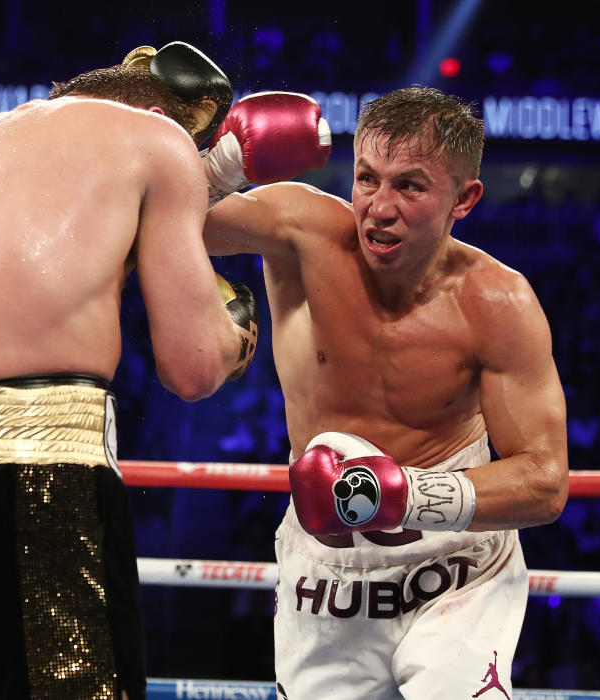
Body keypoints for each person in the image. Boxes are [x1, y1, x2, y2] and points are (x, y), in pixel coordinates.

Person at [0, 42, 329, 700]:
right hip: (44, 488)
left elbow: (53, 259)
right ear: (166, 116)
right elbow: (192, 369)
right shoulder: (157, 139)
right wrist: (236, 328)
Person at [204, 86, 569, 699]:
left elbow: (545, 482)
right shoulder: (303, 232)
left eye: (411, 186)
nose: (379, 207)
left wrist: (400, 496)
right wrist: (221, 167)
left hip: (458, 562)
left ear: (465, 199)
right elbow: (148, 217)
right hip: (328, 571)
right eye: (367, 179)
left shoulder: (497, 303)